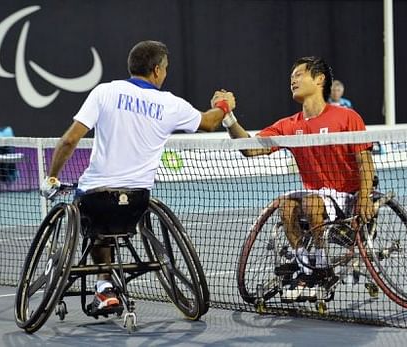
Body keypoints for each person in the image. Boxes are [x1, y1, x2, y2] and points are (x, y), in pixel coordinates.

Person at [40, 40, 236, 315]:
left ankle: (104, 286)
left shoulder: (105, 92)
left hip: (96, 198)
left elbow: (69, 141)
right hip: (137, 202)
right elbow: (209, 122)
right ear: (156, 70)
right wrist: (224, 104)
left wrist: (51, 177)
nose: (165, 74)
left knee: (98, 226)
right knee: (113, 219)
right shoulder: (170, 104)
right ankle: (106, 284)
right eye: (165, 69)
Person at [220, 56, 374, 301]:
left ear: (319, 79)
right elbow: (250, 148)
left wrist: (365, 197)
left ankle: (321, 268)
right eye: (291, 76)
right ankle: (306, 265)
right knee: (286, 204)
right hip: (316, 197)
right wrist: (228, 117)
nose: (293, 80)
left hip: (349, 198)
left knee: (311, 202)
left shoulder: (347, 117)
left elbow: (365, 163)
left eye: (299, 74)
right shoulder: (289, 125)